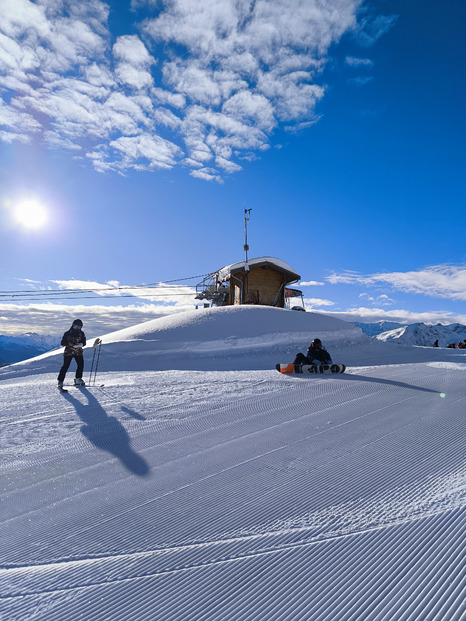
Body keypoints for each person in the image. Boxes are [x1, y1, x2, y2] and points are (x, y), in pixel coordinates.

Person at [57, 319, 86, 388]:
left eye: (79, 327)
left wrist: (80, 344)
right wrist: (70, 344)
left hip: (78, 352)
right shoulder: (67, 333)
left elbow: (84, 342)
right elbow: (62, 342)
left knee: (80, 365)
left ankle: (78, 379)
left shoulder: (81, 334)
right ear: (73, 325)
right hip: (68, 352)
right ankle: (60, 381)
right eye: (76, 326)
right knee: (65, 366)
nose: (78, 328)